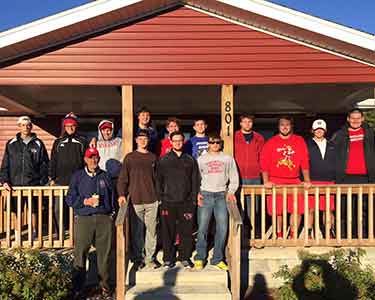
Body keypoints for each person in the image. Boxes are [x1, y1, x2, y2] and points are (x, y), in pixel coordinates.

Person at [65, 147, 115, 300]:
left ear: (99, 159)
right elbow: (70, 198)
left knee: (104, 255)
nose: (93, 160)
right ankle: (78, 288)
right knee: (80, 254)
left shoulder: (105, 176)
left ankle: (105, 288)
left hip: (103, 219)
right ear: (85, 159)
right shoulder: (78, 176)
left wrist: (111, 213)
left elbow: (112, 197)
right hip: (84, 219)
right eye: (90, 157)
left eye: (96, 157)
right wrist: (85, 201)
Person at [260, 116, 311, 239]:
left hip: (294, 180)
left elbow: (305, 161)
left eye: (287, 124)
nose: (284, 127)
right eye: (282, 124)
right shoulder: (271, 142)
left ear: (291, 126)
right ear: (278, 127)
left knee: (297, 209)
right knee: (278, 211)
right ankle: (279, 233)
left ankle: (293, 234)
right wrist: (266, 181)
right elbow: (264, 162)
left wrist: (307, 180)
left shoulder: (299, 140)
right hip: (275, 180)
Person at [194, 133, 239, 271]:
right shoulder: (201, 159)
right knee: (202, 228)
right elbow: (196, 178)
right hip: (205, 194)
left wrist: (231, 191)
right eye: (212, 142)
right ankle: (200, 257)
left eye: (217, 142)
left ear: (221, 144)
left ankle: (217, 258)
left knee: (222, 228)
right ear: (208, 144)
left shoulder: (227, 158)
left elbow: (234, 177)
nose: (215, 145)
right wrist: (197, 193)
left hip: (221, 196)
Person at [155, 131, 200, 269]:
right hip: (168, 201)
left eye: (180, 140)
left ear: (183, 141)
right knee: (168, 231)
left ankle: (185, 257)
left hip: (186, 202)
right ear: (171, 141)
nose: (178, 143)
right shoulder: (163, 160)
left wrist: (193, 199)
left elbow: (195, 180)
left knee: (186, 231)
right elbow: (158, 180)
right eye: (175, 141)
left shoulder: (190, 160)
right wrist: (161, 198)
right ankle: (168, 258)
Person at [0, 116, 49, 239]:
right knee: (16, 211)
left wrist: (43, 181)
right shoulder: (11, 144)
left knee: (34, 210)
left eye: (28, 125)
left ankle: (34, 234)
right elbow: (5, 164)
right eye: (23, 125)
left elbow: (44, 164)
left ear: (31, 127)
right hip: (15, 185)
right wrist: (5, 181)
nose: (26, 127)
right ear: (19, 127)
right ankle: (17, 235)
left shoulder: (38, 143)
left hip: (33, 184)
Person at [117, 129, 159, 269]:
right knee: (137, 231)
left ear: (148, 140)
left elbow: (158, 179)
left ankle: (150, 258)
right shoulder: (130, 157)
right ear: (136, 140)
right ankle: (138, 258)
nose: (142, 141)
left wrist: (159, 196)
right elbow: (123, 178)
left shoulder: (153, 157)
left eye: (145, 138)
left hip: (152, 199)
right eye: (140, 138)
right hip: (135, 199)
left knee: (152, 231)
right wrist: (122, 194)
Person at [331, 108, 375, 237]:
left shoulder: (370, 134)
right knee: (345, 210)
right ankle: (344, 236)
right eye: (353, 118)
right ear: (348, 119)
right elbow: (331, 154)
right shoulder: (339, 135)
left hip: (366, 177)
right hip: (345, 178)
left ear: (362, 119)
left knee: (365, 209)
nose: (355, 120)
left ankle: (365, 236)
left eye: (358, 118)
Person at [49, 112, 88, 237]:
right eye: (68, 125)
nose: (70, 128)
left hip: (77, 182)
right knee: (58, 209)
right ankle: (60, 233)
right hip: (60, 182)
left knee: (75, 208)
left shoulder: (82, 141)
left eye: (73, 125)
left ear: (76, 126)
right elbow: (53, 161)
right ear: (64, 127)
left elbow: (86, 161)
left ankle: (75, 233)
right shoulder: (58, 142)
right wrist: (52, 178)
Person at [234, 114, 264, 237]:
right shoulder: (234, 136)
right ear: (240, 123)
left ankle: (253, 233)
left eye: (249, 122)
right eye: (244, 122)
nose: (247, 124)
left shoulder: (259, 138)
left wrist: (261, 173)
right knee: (239, 206)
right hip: (237, 176)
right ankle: (240, 234)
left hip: (254, 177)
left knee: (253, 208)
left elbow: (263, 157)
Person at [306, 119, 336, 239]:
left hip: (329, 181)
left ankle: (328, 232)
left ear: (325, 130)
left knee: (328, 209)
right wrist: (305, 180)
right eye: (317, 129)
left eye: (321, 129)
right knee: (310, 209)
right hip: (312, 181)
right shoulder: (307, 144)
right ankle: (308, 233)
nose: (319, 131)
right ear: (312, 131)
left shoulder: (332, 145)